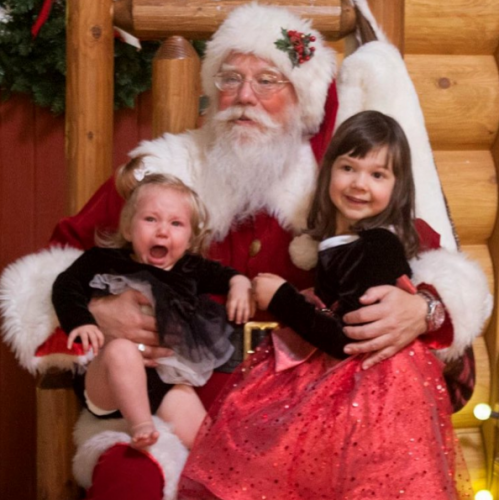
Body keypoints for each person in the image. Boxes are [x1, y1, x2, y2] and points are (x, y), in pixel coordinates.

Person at [1, 3, 489, 499]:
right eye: (230, 78)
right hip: (167, 409)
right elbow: (54, 268)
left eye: (268, 81)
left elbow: (434, 264)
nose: (244, 97)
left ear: (302, 99)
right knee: (129, 483)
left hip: (301, 425)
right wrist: (99, 312)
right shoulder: (164, 173)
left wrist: (423, 307)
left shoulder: (340, 186)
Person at [179, 111, 472, 499]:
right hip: (350, 388)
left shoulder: (378, 246)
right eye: (349, 168)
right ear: (329, 169)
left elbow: (343, 339)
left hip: (370, 397)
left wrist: (283, 299)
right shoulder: (343, 244)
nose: (359, 184)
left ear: (398, 188)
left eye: (377, 175)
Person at [52, 174, 253, 449]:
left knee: (209, 446)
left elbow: (227, 275)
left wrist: (240, 283)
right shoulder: (104, 261)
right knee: (121, 350)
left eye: (176, 223)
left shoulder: (190, 268)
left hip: (164, 380)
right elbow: (66, 285)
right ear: (127, 228)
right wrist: (81, 321)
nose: (162, 231)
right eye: (150, 219)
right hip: (106, 381)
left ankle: (228, 481)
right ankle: (142, 426)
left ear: (190, 236)